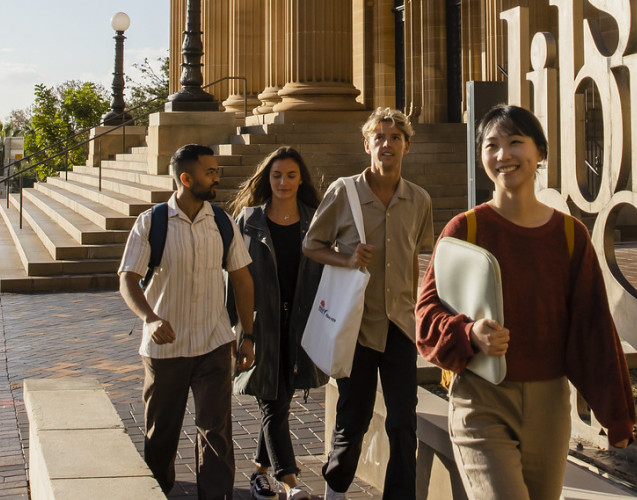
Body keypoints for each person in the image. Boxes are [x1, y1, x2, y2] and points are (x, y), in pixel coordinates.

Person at [415, 105, 636, 499]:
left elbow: (594, 328)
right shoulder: (465, 230)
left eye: (515, 142)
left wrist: (616, 417)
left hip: (550, 406)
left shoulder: (570, 235)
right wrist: (468, 333)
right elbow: (426, 318)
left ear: (539, 152)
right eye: (491, 145)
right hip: (481, 400)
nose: (503, 155)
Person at [303, 107, 434, 500]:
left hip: (399, 327)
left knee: (403, 423)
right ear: (367, 144)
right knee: (353, 416)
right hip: (356, 327)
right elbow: (310, 244)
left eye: (395, 137)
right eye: (379, 136)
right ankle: (336, 488)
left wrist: (417, 311)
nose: (387, 143)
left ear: (406, 146)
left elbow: (414, 257)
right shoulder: (345, 192)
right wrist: (346, 259)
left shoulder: (419, 199)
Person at [118, 144, 256, 500]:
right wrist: (149, 318)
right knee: (161, 434)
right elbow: (128, 278)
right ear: (185, 178)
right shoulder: (152, 223)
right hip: (167, 349)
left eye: (216, 171)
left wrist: (247, 334)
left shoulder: (222, 221)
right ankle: (158, 491)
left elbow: (242, 278)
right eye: (210, 172)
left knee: (216, 433)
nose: (217, 177)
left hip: (213, 343)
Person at [226, 147, 327, 500]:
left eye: (291, 176)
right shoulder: (249, 220)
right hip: (261, 323)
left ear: (302, 180)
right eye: (276, 175)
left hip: (299, 323)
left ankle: (259, 471)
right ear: (267, 179)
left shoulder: (315, 221)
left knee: (279, 398)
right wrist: (238, 331)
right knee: (272, 400)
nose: (283, 182)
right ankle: (291, 482)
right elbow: (234, 277)